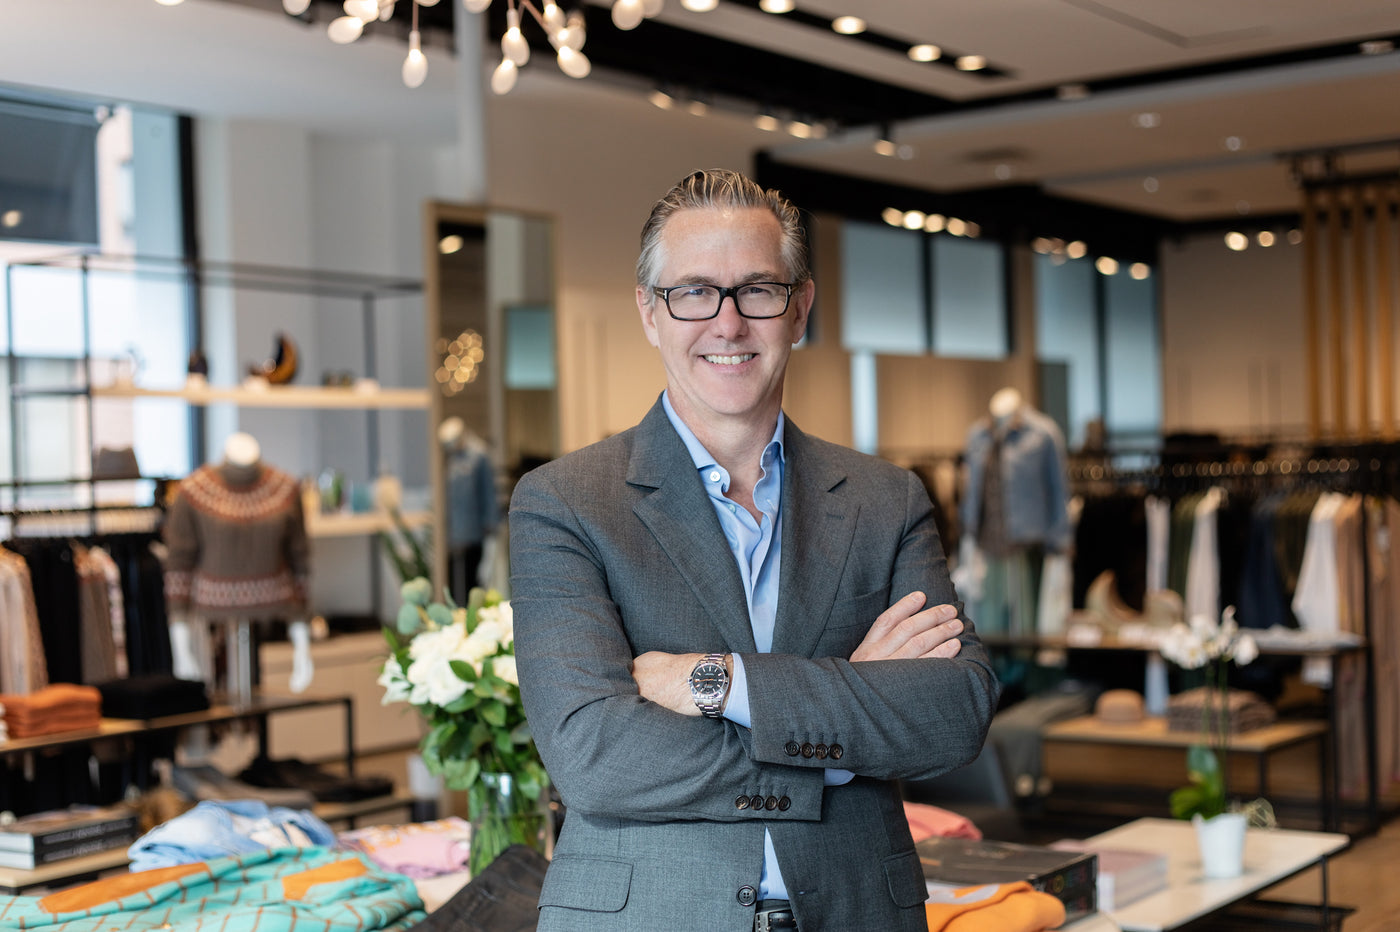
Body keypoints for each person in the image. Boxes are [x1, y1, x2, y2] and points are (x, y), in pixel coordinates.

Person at [509, 169, 999, 932]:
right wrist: (838, 733)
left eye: (758, 291)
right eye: (694, 292)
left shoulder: (885, 499)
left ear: (799, 307)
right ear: (649, 312)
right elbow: (593, 757)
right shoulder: (564, 501)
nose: (728, 323)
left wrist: (721, 683)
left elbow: (951, 713)